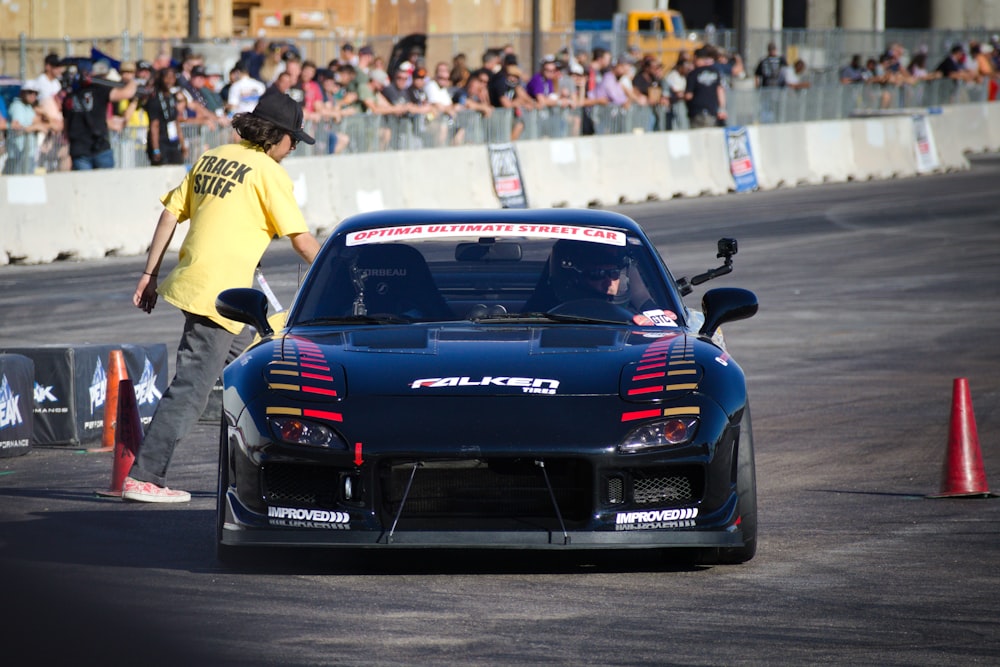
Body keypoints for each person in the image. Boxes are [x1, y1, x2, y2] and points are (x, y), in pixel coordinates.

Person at [125, 93, 322, 502]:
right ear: (278, 137)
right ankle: (143, 477)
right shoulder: (269, 172)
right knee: (192, 389)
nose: (294, 149)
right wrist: (337, 267)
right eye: (294, 141)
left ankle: (260, 474)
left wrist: (149, 273)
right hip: (218, 296)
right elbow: (302, 241)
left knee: (254, 373)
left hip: (213, 290)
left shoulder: (213, 156)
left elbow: (170, 213)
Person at [62, 58, 138, 170]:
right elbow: (127, 93)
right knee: (106, 185)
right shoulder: (99, 90)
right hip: (98, 148)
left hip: (80, 148)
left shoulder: (69, 98)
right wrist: (133, 82)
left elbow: (66, 126)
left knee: (85, 186)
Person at [144, 67, 188, 166]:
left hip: (173, 141)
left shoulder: (173, 98)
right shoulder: (154, 100)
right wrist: (155, 149)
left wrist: (182, 144)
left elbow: (176, 122)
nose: (169, 81)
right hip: (160, 143)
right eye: (166, 77)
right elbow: (154, 126)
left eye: (172, 77)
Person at [685, 46, 727, 128]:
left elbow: (688, 95)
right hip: (712, 111)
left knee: (698, 138)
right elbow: (720, 91)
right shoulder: (715, 71)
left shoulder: (693, 74)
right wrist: (722, 109)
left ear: (696, 58)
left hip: (697, 112)